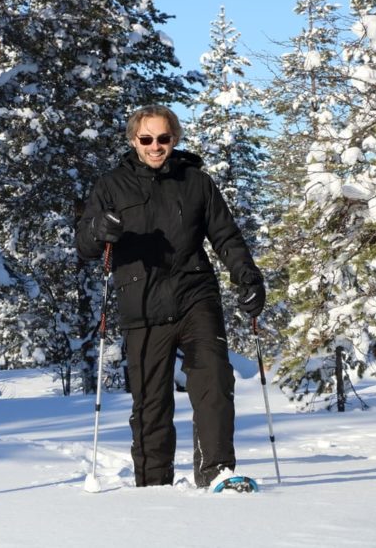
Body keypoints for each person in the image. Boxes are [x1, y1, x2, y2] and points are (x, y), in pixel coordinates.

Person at [75, 104, 265, 488]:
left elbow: (226, 236)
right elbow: (84, 245)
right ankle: (153, 483)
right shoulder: (112, 185)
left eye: (163, 138)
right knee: (150, 402)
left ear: (174, 139)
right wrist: (100, 228)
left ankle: (217, 472)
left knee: (213, 379)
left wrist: (248, 278)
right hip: (141, 300)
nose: (155, 146)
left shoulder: (196, 182)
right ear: (134, 141)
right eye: (146, 139)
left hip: (195, 294)